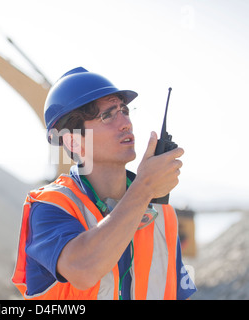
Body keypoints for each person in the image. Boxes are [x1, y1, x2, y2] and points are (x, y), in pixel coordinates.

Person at [12, 67, 196, 300]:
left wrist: (146, 190)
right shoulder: (50, 206)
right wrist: (145, 186)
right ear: (73, 141)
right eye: (107, 116)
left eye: (124, 110)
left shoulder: (161, 211)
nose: (125, 123)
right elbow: (83, 270)